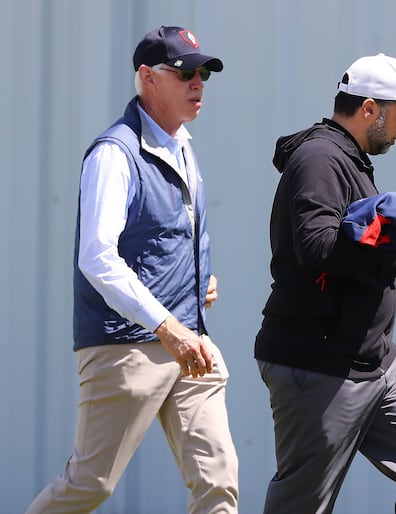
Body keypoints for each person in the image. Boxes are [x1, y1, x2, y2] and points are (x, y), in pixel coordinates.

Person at [254, 53, 396, 514]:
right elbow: (316, 246)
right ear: (369, 109)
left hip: (377, 364)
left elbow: (365, 257)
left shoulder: (349, 160)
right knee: (302, 504)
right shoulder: (319, 158)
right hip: (320, 364)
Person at [26, 26, 238, 514]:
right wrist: (167, 326)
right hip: (127, 344)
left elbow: (164, 238)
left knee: (218, 483)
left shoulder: (183, 143)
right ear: (146, 77)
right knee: (90, 485)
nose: (198, 82)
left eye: (203, 72)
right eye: (184, 72)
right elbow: (97, 257)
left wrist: (194, 278)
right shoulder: (113, 153)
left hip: (190, 340)